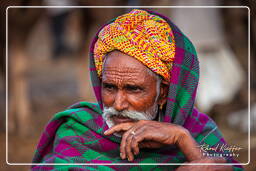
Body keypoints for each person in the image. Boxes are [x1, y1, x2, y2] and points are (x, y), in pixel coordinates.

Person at [32, 9, 243, 170]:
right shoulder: (77, 132)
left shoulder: (199, 132)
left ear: (163, 93)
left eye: (133, 89)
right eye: (109, 87)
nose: (118, 104)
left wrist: (186, 144)